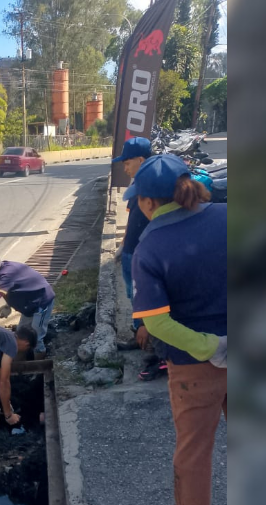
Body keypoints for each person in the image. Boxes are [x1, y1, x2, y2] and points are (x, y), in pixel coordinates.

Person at [127, 154, 228, 505]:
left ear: (149, 202)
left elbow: (156, 322)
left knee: (194, 450)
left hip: (195, 364)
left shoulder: (150, 248)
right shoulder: (227, 216)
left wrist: (210, 346)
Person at [112, 137, 165, 380]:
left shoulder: (153, 188)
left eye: (127, 162)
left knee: (148, 301)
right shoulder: (138, 187)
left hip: (144, 258)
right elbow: (132, 220)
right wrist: (123, 245)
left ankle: (156, 356)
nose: (124, 167)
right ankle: (140, 336)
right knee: (134, 297)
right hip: (131, 254)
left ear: (141, 160)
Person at [0, 249, 54, 360]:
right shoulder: (3, 269)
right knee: (21, 336)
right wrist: (9, 305)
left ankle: (38, 370)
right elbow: (17, 287)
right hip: (30, 305)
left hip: (41, 303)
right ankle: (19, 364)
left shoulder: (6, 274)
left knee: (36, 337)